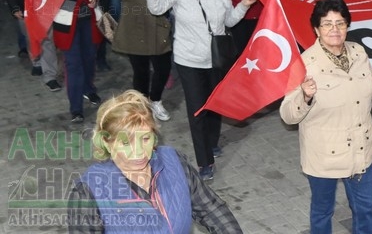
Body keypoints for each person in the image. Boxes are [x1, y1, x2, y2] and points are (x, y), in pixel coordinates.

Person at [279, 0, 372, 234]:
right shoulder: (305, 64)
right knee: (323, 211)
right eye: (327, 24)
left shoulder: (358, 52)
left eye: (340, 23)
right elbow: (287, 114)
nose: (334, 30)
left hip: (361, 150)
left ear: (348, 26)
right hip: (325, 156)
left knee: (366, 208)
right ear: (316, 29)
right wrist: (304, 96)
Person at [142, 0, 257, 180]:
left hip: (216, 59)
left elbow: (230, 21)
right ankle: (205, 161)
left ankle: (212, 143)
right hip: (189, 60)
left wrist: (244, 4)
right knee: (197, 110)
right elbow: (156, 7)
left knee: (214, 105)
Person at [67, 90, 243, 233]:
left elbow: (212, 209)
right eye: (126, 142)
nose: (138, 152)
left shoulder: (174, 162)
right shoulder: (88, 192)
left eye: (145, 139)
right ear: (106, 142)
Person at [74, 0, 173, 122]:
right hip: (135, 29)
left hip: (158, 27)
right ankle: (142, 107)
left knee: (163, 67)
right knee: (141, 71)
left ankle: (156, 100)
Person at [39, 0, 104, 123]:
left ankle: (88, 89)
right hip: (66, 20)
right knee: (73, 63)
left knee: (89, 58)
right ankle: (76, 108)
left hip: (90, 18)